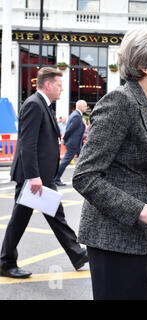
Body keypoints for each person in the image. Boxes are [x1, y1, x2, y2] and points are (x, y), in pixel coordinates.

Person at [72, 26, 147, 300]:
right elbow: (85, 176)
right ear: (144, 66)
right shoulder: (120, 102)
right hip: (117, 243)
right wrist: (145, 212)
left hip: (146, 240)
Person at [0, 67, 88, 279]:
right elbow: (27, 144)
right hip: (34, 178)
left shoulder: (43, 105)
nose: (61, 89)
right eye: (58, 85)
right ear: (47, 85)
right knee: (19, 220)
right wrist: (33, 177)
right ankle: (5, 262)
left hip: (42, 177)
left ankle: (78, 255)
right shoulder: (34, 104)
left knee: (56, 216)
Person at [54, 100, 87, 186]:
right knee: (66, 161)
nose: (86, 108)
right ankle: (56, 178)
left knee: (82, 160)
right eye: (85, 106)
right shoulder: (76, 116)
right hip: (73, 144)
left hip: (76, 143)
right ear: (79, 106)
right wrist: (65, 138)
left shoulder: (77, 115)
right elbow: (70, 130)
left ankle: (82, 178)